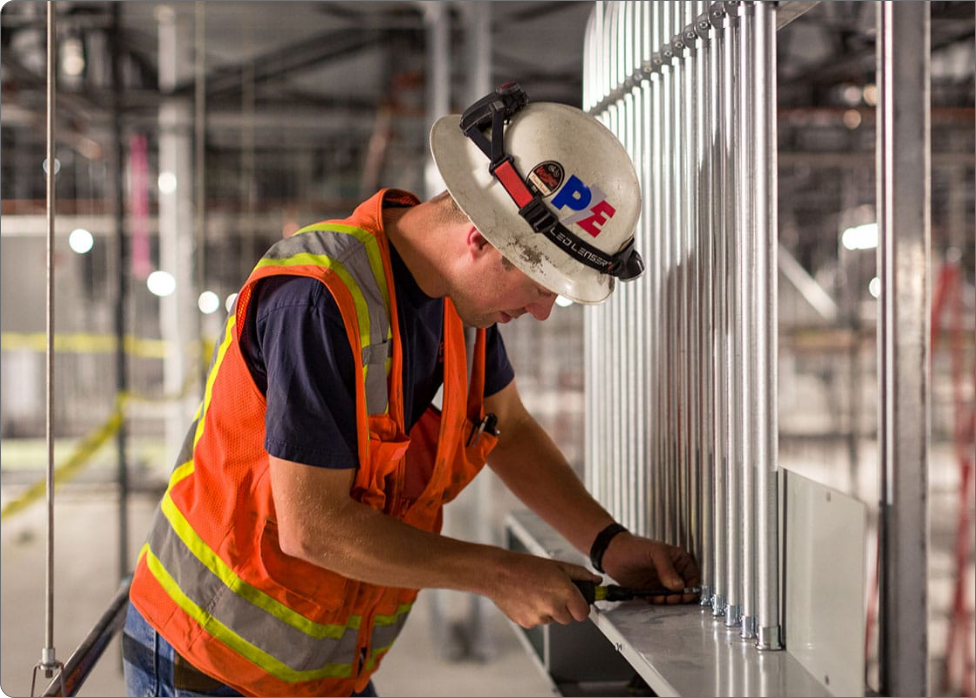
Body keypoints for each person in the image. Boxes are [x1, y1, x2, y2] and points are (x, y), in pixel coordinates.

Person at [123, 82, 700, 698]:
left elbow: (508, 428)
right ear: (483, 240)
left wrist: (607, 544)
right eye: (541, 285)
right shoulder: (318, 300)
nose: (541, 312)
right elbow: (312, 527)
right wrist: (500, 575)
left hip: (327, 671)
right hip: (213, 661)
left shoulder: (462, 306)